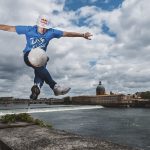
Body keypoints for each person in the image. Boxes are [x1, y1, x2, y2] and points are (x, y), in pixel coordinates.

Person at [0, 14, 93, 100]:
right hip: (28, 55)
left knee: (42, 64)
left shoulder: (51, 32)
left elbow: (67, 34)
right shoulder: (28, 29)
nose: (43, 30)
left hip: (41, 58)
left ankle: (36, 88)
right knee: (40, 57)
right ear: (37, 24)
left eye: (45, 28)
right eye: (41, 28)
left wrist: (83, 35)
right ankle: (54, 86)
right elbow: (9, 28)